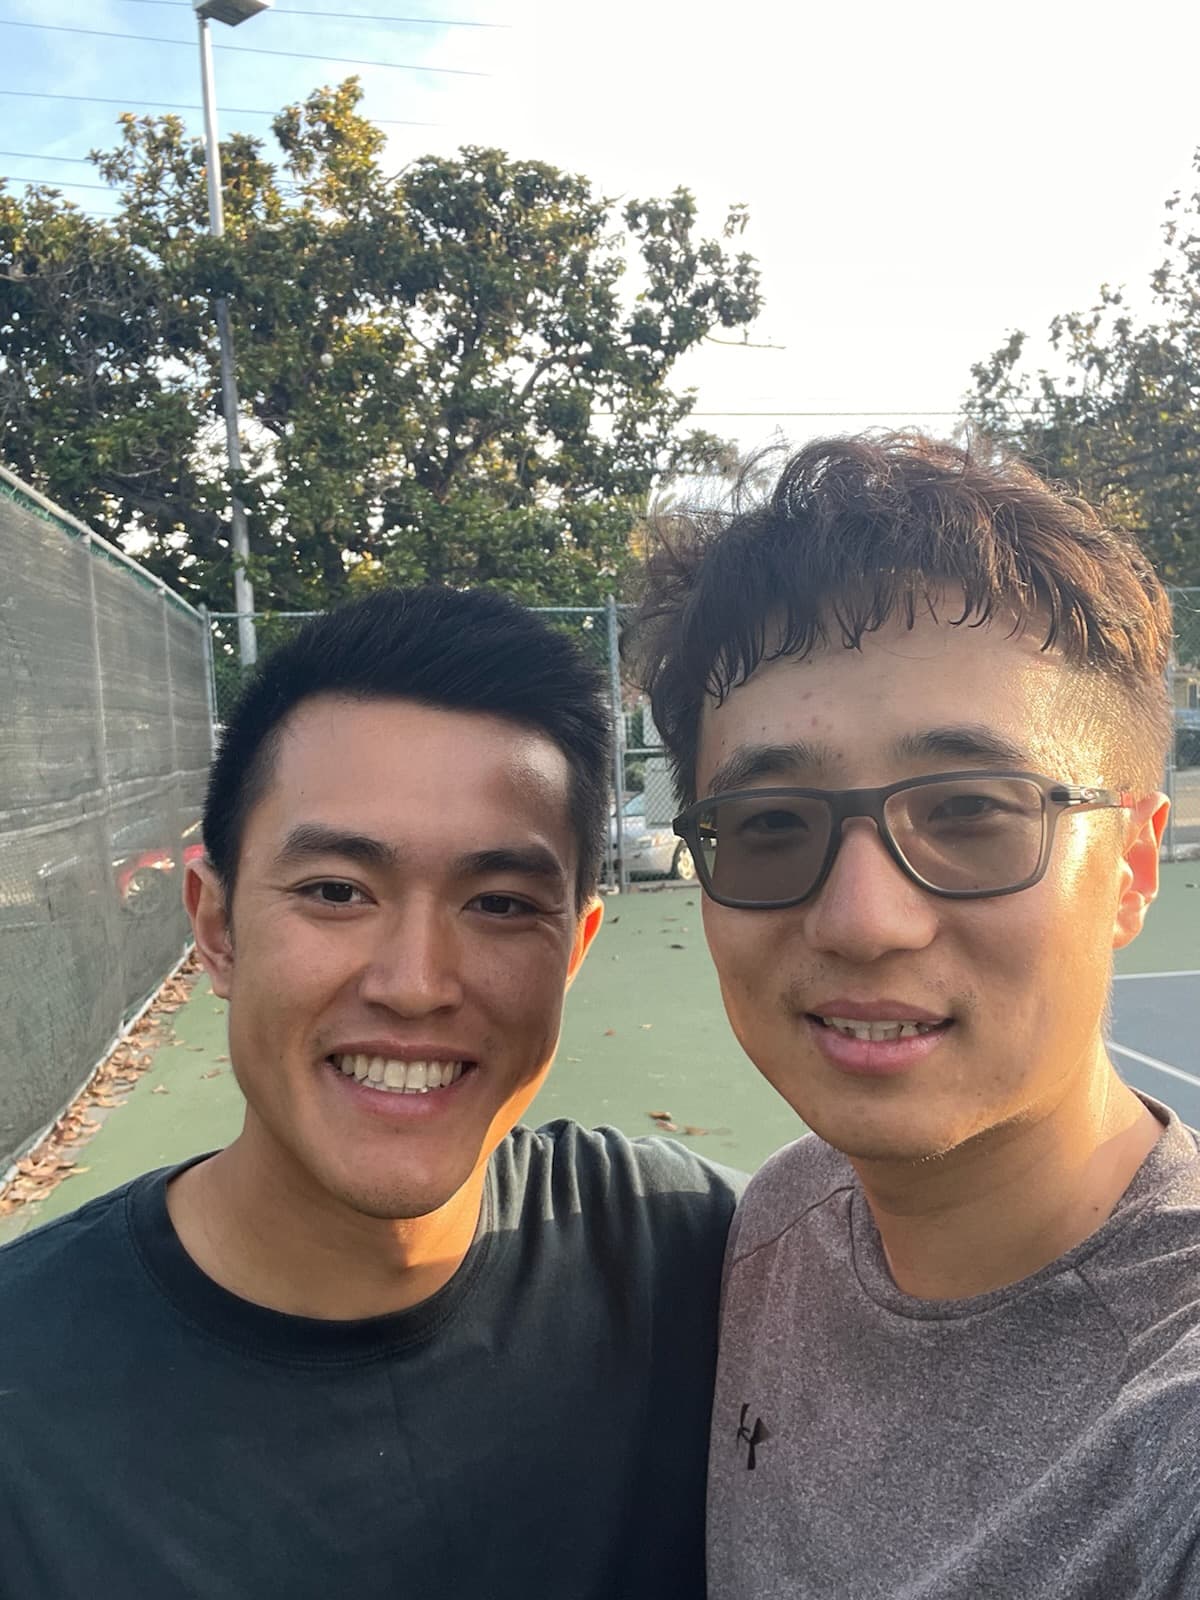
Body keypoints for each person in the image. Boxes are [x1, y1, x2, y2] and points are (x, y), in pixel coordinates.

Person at [0, 586, 741, 1599]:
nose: (416, 981)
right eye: (336, 891)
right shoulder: (25, 1395)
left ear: (574, 949)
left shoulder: (711, 1261)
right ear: (214, 928)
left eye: (500, 902)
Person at [627, 433, 1200, 1598]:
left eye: (973, 811)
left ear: (1134, 866)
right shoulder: (780, 1221)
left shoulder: (1170, 1425)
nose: (864, 919)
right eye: (771, 823)